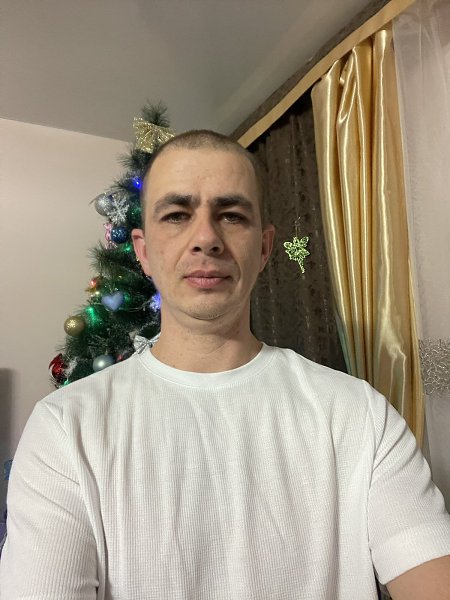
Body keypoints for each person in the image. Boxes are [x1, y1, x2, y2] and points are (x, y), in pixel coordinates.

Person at [1, 131, 449, 600]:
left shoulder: (360, 414)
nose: (206, 239)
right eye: (177, 215)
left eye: (232, 215)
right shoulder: (65, 427)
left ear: (265, 248)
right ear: (143, 251)